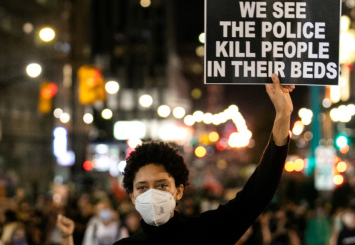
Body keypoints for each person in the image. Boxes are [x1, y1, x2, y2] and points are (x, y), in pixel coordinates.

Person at [114, 74, 294, 245]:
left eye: (161, 185)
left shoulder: (205, 232)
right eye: (142, 187)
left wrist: (283, 114)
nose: (152, 195)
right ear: (132, 196)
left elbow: (257, 193)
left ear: (179, 191)